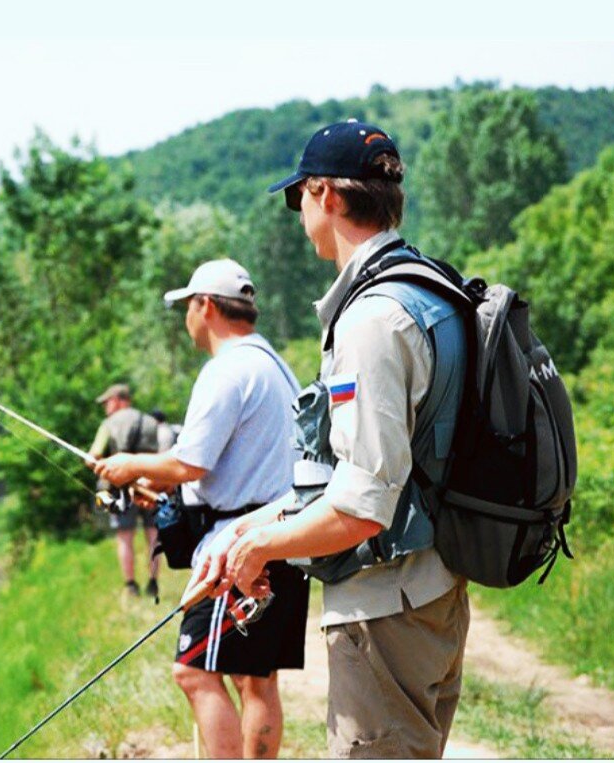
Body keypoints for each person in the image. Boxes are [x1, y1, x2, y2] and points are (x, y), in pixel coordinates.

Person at [193, 120, 471, 758]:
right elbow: (370, 471)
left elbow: (361, 507)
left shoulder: (373, 319)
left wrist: (259, 547)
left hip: (385, 606)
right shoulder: (434, 290)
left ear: (328, 195)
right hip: (434, 587)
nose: (298, 214)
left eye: (299, 198)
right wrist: (250, 529)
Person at [92, 259, 309, 759]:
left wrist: (127, 465)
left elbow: (191, 462)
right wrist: (164, 488)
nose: (186, 318)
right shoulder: (275, 365)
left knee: (192, 671)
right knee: (256, 679)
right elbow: (231, 465)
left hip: (236, 551)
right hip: (286, 536)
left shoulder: (227, 369)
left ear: (205, 306)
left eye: (186, 307)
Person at [88, 383, 161, 601]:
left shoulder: (108, 424)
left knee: (125, 537)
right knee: (153, 535)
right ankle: (153, 582)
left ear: (119, 400)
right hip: (150, 486)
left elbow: (94, 456)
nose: (105, 408)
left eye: (107, 402)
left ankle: (130, 585)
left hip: (119, 490)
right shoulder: (149, 421)